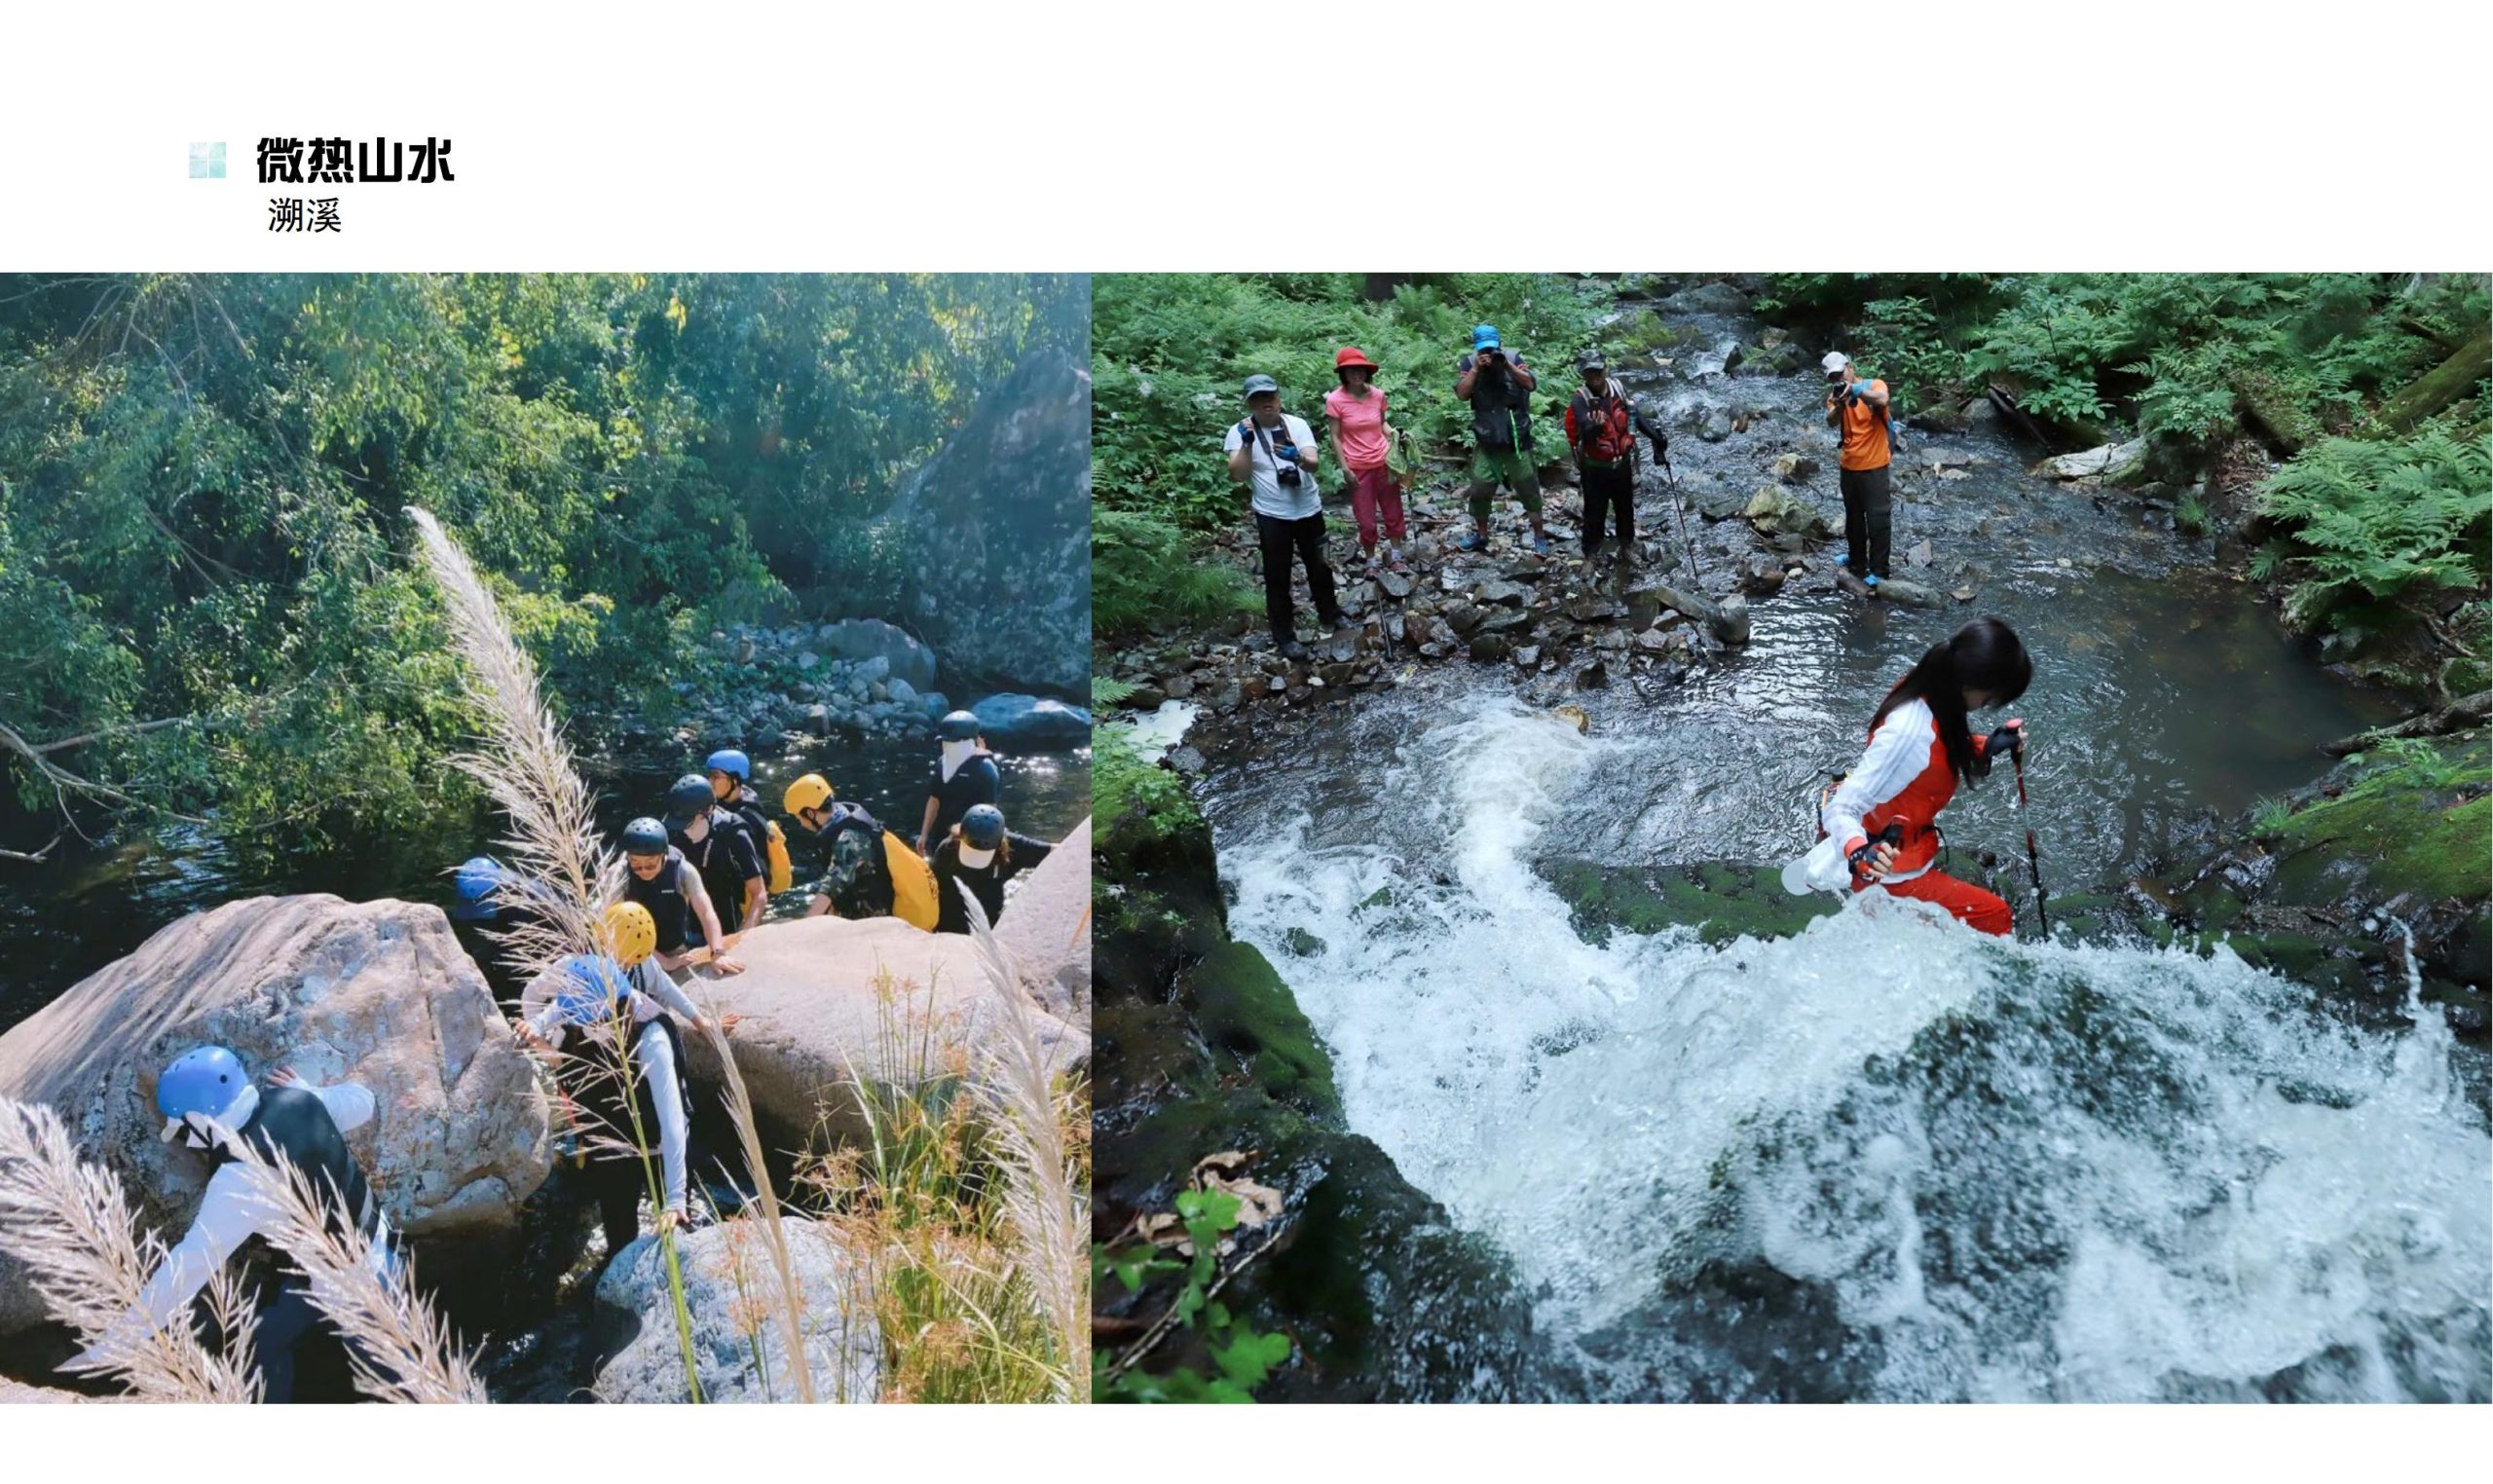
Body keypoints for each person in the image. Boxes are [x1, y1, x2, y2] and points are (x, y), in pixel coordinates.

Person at [64, 1047, 394, 1403]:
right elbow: (365, 1102)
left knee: (393, 1388)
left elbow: (184, 1271)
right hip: (379, 1250)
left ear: (203, 1120)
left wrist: (111, 1347)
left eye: (184, 1129)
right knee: (262, 1342)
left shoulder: (240, 1178)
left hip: (353, 1288)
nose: (187, 1140)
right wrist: (310, 1091)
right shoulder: (298, 1099)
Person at [511, 905, 731, 1254]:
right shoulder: (581, 981)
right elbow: (550, 1010)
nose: (586, 1027)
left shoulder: (650, 1036)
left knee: (674, 1237)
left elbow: (672, 1120)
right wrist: (539, 1036)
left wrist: (675, 1201)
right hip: (612, 1138)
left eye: (593, 1021)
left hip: (657, 1136)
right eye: (580, 1018)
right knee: (618, 1233)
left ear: (615, 1007)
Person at [1801, 617, 2033, 935]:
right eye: (1991, 698)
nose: (1987, 706)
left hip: (1907, 848)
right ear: (1970, 686)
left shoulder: (1931, 688)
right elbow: (1841, 807)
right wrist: (1859, 852)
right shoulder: (1907, 734)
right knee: (1996, 915)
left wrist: (1986, 746)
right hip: (1887, 868)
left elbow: (1938, 745)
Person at [1225, 372, 1344, 662]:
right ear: (1250, 403)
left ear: (1278, 397)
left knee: (1320, 566)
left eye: (1270, 396)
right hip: (1272, 514)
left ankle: (1331, 615)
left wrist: (1298, 458)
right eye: (1259, 398)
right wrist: (1247, 444)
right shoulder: (1238, 431)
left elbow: (1313, 464)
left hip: (1308, 508)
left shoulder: (1297, 425)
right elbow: (1238, 475)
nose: (1266, 402)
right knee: (1277, 576)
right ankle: (1285, 637)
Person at [1564, 352, 1670, 572]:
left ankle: (1626, 546)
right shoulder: (1579, 399)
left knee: (1625, 509)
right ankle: (1591, 555)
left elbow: (1635, 416)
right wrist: (1594, 426)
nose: (1594, 375)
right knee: (1594, 512)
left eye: (1597, 370)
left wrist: (1655, 436)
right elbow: (1584, 428)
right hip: (1595, 468)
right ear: (1583, 374)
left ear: (1605, 368)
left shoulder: (1618, 389)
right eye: (1588, 372)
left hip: (1622, 463)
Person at [1454, 324, 1544, 554]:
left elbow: (1530, 384)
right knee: (1480, 488)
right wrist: (1476, 368)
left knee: (1528, 487)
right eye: (1484, 350)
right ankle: (1481, 534)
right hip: (1487, 440)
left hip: (1517, 439)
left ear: (1499, 344)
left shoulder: (1513, 357)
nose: (1488, 354)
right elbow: (1462, 394)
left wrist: (1507, 365)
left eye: (1492, 349)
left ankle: (1539, 536)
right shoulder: (1469, 362)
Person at [620, 815, 745, 975]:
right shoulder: (619, 875)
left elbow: (706, 912)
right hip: (632, 952)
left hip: (674, 946)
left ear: (664, 854)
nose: (643, 871)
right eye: (636, 864)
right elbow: (613, 930)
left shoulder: (682, 871)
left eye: (650, 864)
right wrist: (664, 962)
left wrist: (718, 952)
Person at [1322, 346, 1406, 575]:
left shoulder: (1377, 395)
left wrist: (1397, 435)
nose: (1356, 373)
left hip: (1384, 462)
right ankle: (1371, 560)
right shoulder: (1335, 400)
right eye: (1351, 370)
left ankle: (1396, 555)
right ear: (1343, 374)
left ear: (1367, 371)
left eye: (1360, 369)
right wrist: (1344, 467)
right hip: (1357, 466)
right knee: (1366, 517)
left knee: (1393, 510)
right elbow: (1335, 436)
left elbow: (1382, 424)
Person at [1822, 351, 1896, 589]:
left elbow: (1882, 399)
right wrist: (1841, 405)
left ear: (1850, 368)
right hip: (1849, 467)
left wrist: (1856, 391)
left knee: (1878, 520)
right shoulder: (1835, 396)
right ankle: (1856, 561)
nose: (1838, 379)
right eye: (1833, 377)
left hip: (1875, 467)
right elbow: (1830, 420)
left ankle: (1879, 571)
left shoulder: (1872, 385)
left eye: (1840, 373)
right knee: (1853, 519)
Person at [664, 773, 766, 939]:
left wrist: (744, 934)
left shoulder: (733, 833)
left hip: (726, 923)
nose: (683, 827)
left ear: (708, 810)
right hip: (687, 925)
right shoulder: (673, 829)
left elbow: (759, 893)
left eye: (688, 821)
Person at [783, 772, 897, 921]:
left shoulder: (851, 836)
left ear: (811, 813)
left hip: (873, 918)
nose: (801, 824)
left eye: (799, 818)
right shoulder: (841, 814)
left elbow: (832, 885)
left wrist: (804, 925)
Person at [930, 803, 1054, 936]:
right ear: (960, 835)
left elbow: (1054, 852)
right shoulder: (947, 848)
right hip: (949, 929)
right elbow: (932, 885)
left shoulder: (1014, 847)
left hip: (986, 929)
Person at [918, 710, 1000, 857]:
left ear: (969, 741)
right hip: (940, 836)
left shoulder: (985, 769)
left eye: (953, 742)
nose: (948, 746)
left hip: (970, 840)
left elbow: (991, 813)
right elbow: (934, 800)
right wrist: (924, 834)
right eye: (945, 741)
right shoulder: (941, 763)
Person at [704, 748, 787, 893]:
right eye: (709, 776)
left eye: (716, 776)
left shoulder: (747, 818)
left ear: (734, 780)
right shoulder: (739, 794)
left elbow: (758, 868)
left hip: (746, 894)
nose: (709, 782)